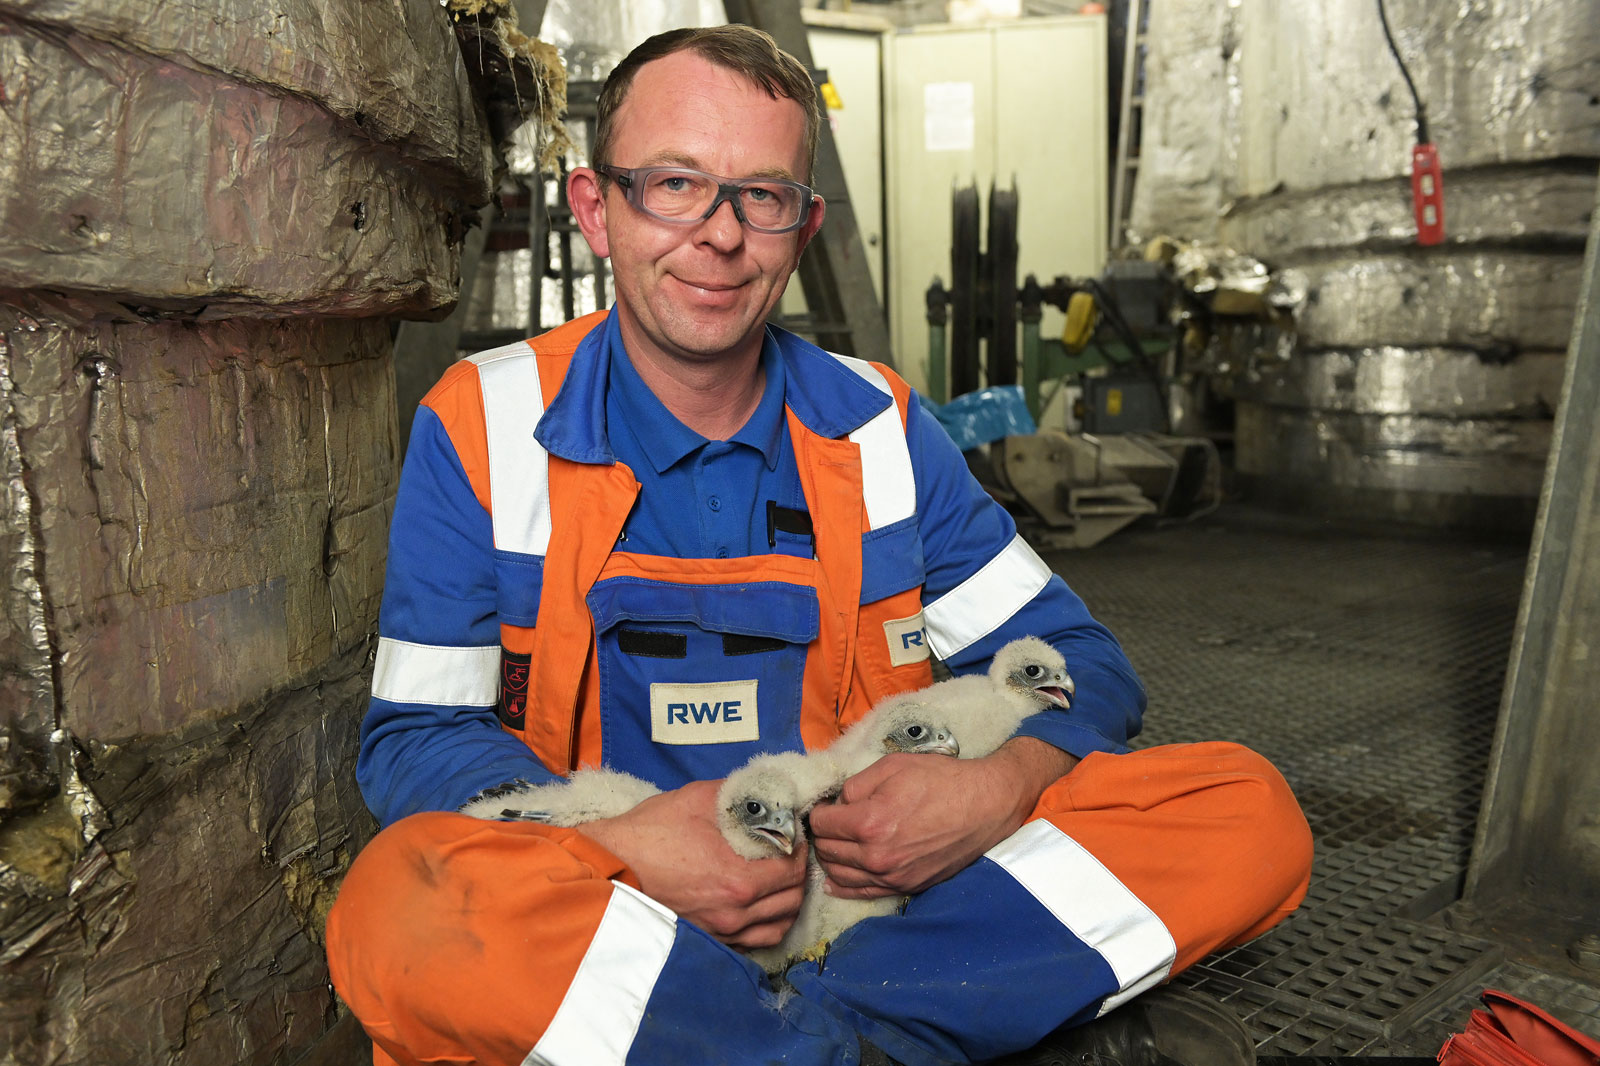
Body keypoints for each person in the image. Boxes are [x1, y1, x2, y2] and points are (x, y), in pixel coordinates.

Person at [325, 24, 1312, 1066]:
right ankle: (920, 1031)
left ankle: (816, 1038)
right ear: (596, 209)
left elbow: (1083, 664)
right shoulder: (484, 423)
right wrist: (622, 848)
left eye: (762, 195)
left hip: (873, 912)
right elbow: (417, 738)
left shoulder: (879, 427)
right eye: (674, 184)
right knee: (398, 910)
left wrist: (992, 788)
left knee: (1242, 812)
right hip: (621, 912)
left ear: (802, 228)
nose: (719, 235)